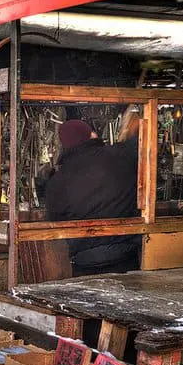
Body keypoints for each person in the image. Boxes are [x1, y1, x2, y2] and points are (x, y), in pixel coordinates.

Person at [44, 119, 141, 277]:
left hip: (84, 262)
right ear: (91, 134)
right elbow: (144, 138)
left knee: (87, 301)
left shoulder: (57, 181)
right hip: (125, 257)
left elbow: (54, 221)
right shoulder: (119, 155)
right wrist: (133, 118)